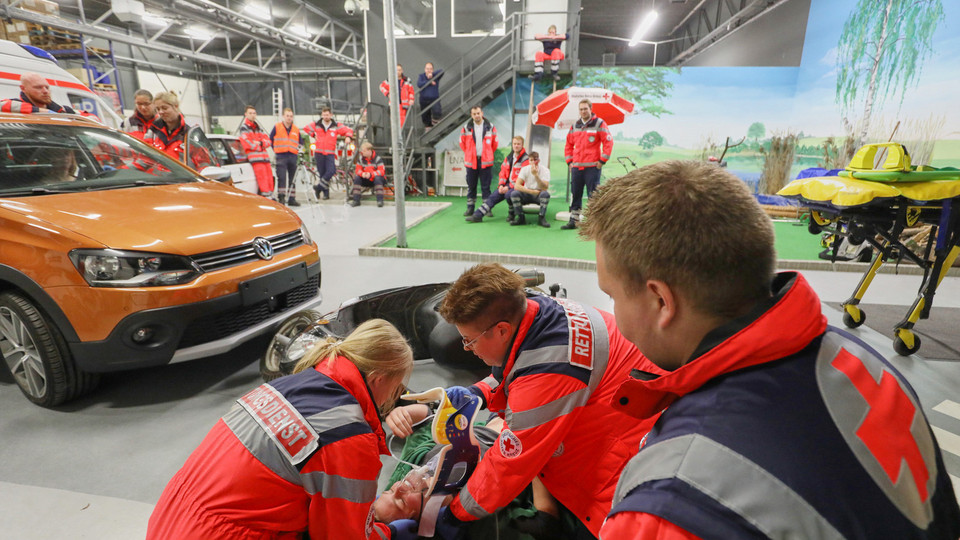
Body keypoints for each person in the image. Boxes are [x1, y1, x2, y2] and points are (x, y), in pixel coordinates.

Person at [578, 160, 960, 539]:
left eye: (612, 295)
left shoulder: (672, 502)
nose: (614, 311)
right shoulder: (865, 364)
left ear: (661, 301)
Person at [432, 263, 666, 539]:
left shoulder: (551, 370)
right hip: (637, 414)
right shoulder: (541, 309)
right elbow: (521, 363)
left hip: (626, 468)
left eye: (469, 340)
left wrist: (457, 513)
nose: (468, 349)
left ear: (501, 330)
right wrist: (481, 391)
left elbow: (510, 462)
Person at [146, 318, 415, 540]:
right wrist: (386, 532)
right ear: (378, 379)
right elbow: (343, 536)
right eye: (396, 388)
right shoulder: (349, 437)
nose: (392, 398)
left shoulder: (287, 386)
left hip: (172, 518)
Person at [561, 100, 612, 230]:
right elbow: (568, 145)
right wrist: (569, 162)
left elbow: (608, 143)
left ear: (591, 109)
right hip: (577, 167)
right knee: (576, 193)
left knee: (593, 195)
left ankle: (593, 223)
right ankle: (574, 220)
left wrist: (601, 161)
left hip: (592, 168)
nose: (583, 111)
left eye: (585, 109)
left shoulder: (599, 123)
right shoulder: (575, 126)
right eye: (581, 109)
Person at [465, 136, 528, 224]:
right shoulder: (509, 157)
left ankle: (512, 214)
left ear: (522, 145)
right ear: (512, 145)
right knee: (493, 196)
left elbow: (523, 178)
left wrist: (509, 187)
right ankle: (478, 215)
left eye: (518, 144)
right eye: (514, 144)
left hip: (519, 187)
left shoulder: (526, 159)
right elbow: (503, 172)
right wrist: (501, 185)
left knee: (509, 194)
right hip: (507, 185)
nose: (516, 146)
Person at [303, 106, 353, 200]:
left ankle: (318, 188)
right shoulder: (316, 124)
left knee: (331, 171)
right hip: (319, 152)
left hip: (330, 153)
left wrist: (348, 137)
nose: (326, 116)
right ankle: (325, 194)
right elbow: (306, 128)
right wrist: (313, 134)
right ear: (322, 115)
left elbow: (349, 130)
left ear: (331, 115)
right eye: (324, 115)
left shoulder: (336, 125)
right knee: (322, 174)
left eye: (327, 115)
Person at [458, 106, 498, 217]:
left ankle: (487, 209)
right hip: (471, 162)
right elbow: (462, 143)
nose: (476, 115)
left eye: (478, 113)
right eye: (474, 114)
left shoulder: (490, 127)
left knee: (486, 187)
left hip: (485, 162)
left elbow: (494, 144)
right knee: (471, 186)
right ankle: (470, 209)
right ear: (471, 115)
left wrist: (487, 154)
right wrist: (470, 154)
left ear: (482, 113)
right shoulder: (466, 128)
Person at [238, 105, 275, 198]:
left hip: (265, 159)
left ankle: (271, 196)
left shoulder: (258, 127)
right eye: (250, 113)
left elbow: (268, 141)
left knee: (269, 179)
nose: (252, 115)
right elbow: (247, 143)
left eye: (254, 113)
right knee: (262, 181)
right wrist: (261, 145)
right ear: (245, 114)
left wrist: (260, 143)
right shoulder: (244, 128)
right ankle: (267, 198)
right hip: (256, 160)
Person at [0, 72, 77, 115]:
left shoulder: (62, 110)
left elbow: (84, 115)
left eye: (47, 87)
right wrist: (38, 110)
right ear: (23, 88)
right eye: (38, 87)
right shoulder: (14, 107)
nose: (45, 91)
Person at [508, 151, 551, 228]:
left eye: (535, 160)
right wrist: (531, 191)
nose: (533, 162)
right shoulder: (524, 169)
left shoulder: (545, 170)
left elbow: (545, 187)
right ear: (529, 161)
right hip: (528, 193)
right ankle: (520, 217)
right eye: (531, 160)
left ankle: (541, 218)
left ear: (539, 160)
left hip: (539, 193)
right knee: (514, 194)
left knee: (545, 194)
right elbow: (517, 186)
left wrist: (536, 175)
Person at [270, 107, 301, 207]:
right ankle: (282, 197)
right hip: (281, 156)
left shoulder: (296, 129)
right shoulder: (277, 127)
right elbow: (270, 139)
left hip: (293, 156)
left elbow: (300, 142)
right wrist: (275, 150)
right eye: (287, 116)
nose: (289, 118)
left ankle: (292, 199)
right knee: (282, 177)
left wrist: (298, 151)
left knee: (293, 179)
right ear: (283, 116)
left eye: (291, 116)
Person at [350, 141, 386, 208]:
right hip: (366, 178)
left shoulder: (378, 159)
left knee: (378, 178)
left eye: (364, 151)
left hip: (377, 179)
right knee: (357, 178)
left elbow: (382, 171)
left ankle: (380, 200)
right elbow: (357, 170)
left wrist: (371, 174)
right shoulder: (360, 159)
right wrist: (362, 174)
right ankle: (356, 200)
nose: (362, 152)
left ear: (369, 151)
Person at [417, 62, 444, 129]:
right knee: (425, 115)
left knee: (437, 111)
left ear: (432, 69)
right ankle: (428, 127)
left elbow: (442, 71)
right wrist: (429, 82)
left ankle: (435, 123)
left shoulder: (435, 76)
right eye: (427, 68)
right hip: (424, 99)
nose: (429, 70)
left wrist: (432, 74)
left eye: (430, 69)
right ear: (424, 69)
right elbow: (419, 84)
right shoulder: (421, 76)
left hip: (434, 98)